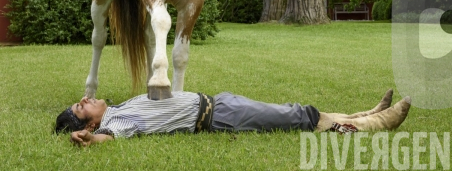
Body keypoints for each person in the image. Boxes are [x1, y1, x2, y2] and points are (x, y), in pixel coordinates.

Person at [55, 89, 411, 147]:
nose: (85, 99)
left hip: (218, 102)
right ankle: (374, 124)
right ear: (89, 124)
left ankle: (364, 114)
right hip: (219, 118)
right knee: (293, 116)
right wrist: (91, 141)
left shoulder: (117, 108)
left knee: (291, 113)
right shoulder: (115, 122)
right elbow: (111, 138)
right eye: (80, 108)